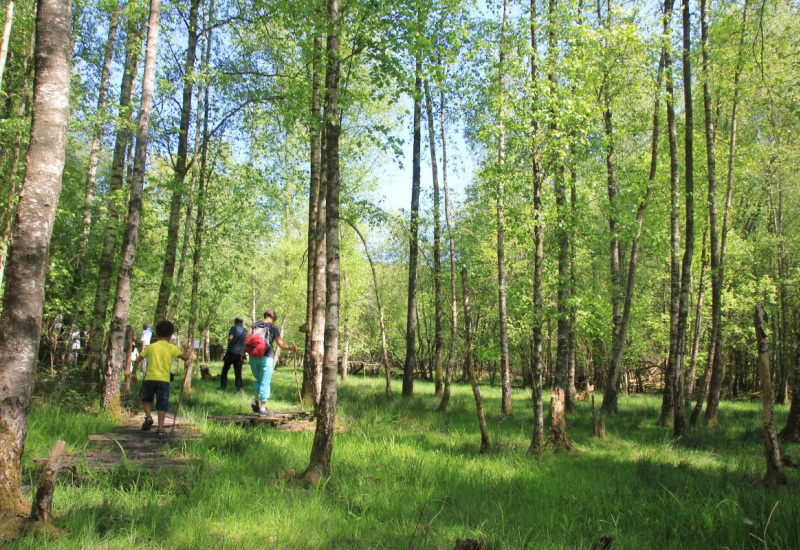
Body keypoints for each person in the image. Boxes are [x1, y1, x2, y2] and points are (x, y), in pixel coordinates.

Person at [132, 320, 194, 437]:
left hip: (149, 378)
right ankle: (160, 429)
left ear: (157, 333)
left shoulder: (151, 347)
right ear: (171, 335)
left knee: (146, 400)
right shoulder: (171, 348)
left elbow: (138, 359)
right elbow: (185, 358)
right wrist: (190, 351)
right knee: (162, 404)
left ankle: (149, 417)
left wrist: (134, 373)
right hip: (164, 380)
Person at [243, 309, 297, 416]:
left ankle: (255, 399)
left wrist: (243, 353)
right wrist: (291, 348)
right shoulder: (273, 327)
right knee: (265, 381)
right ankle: (263, 408)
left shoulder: (254, 325)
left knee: (258, 379)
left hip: (253, 356)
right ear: (273, 317)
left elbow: (246, 339)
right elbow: (280, 344)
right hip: (266, 356)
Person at [219, 317, 247, 392]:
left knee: (225, 370)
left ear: (235, 322)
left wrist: (230, 345)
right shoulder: (245, 331)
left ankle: (223, 387)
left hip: (232, 352)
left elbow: (230, 338)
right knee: (238, 372)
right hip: (240, 353)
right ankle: (239, 389)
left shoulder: (233, 328)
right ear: (242, 322)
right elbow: (246, 342)